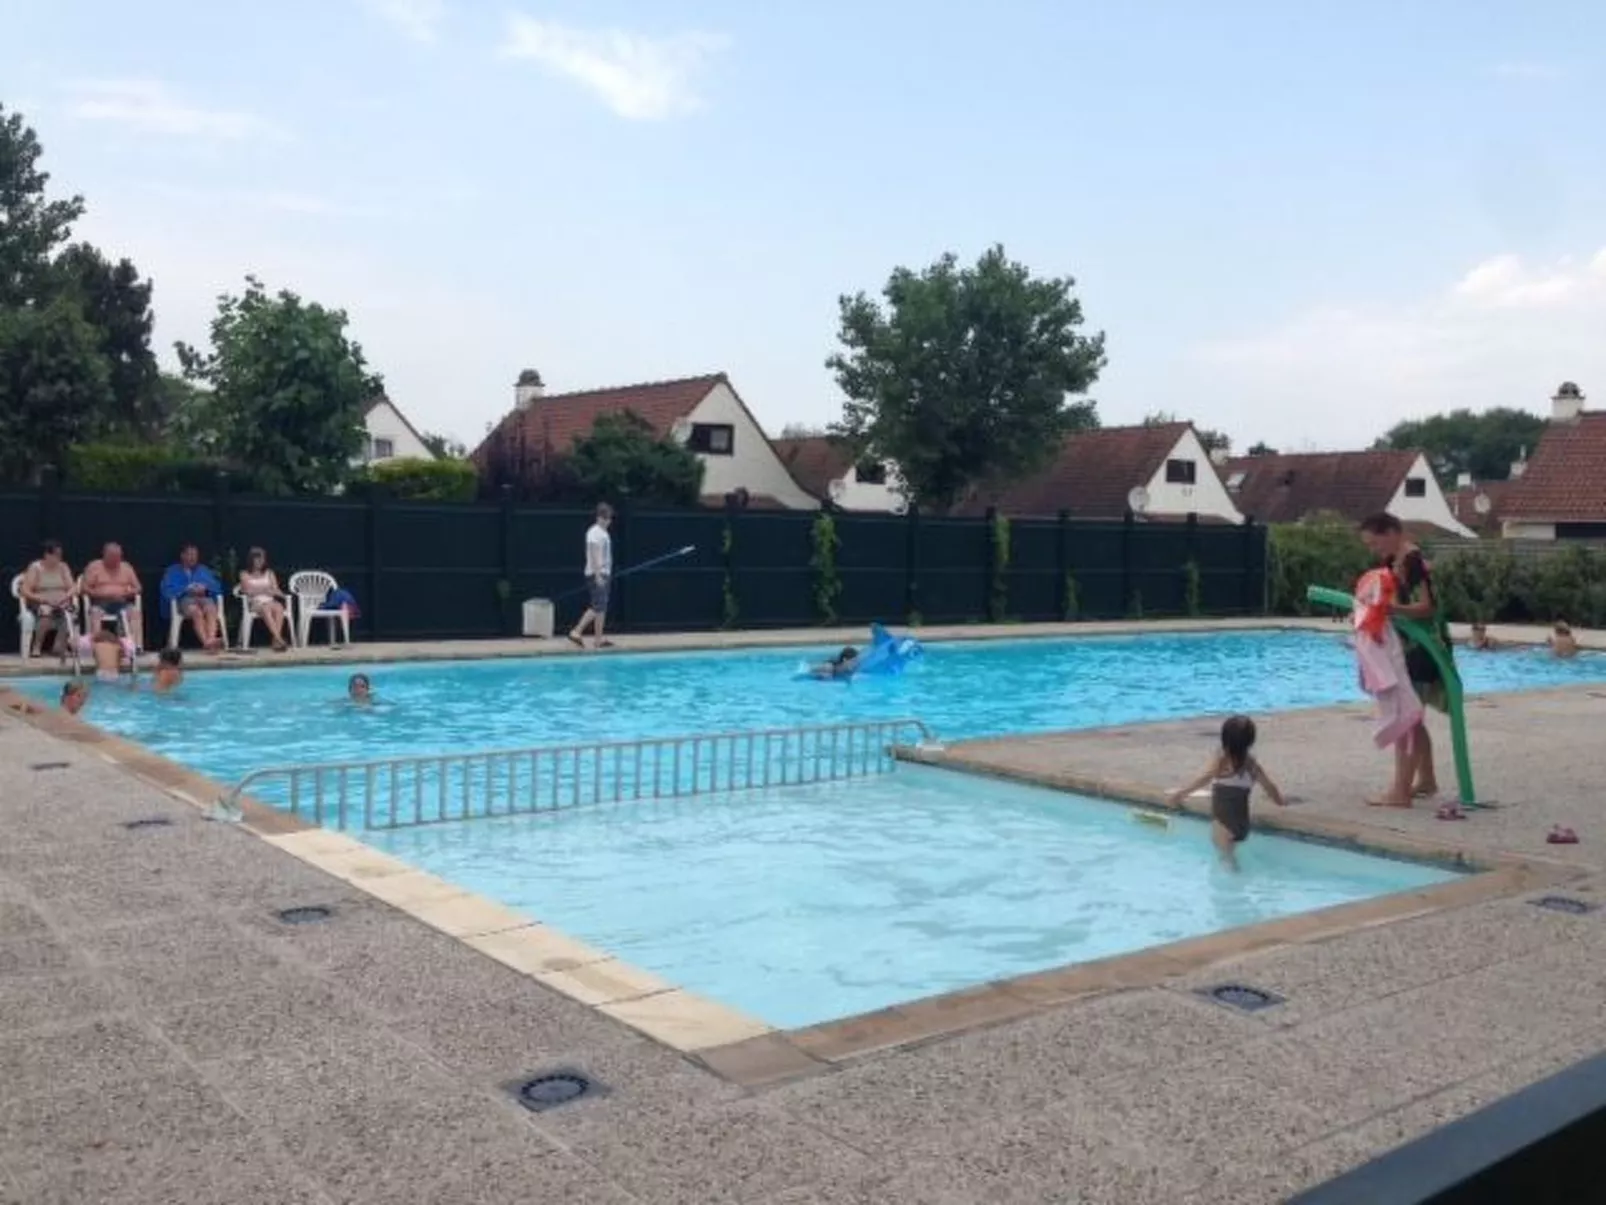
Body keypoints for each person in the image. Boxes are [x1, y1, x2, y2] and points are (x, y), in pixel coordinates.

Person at [1358, 513, 1451, 804]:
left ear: (1391, 533)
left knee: (1405, 717)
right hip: (1409, 645)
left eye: (1375, 543)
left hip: (1422, 648)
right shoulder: (1393, 562)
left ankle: (1400, 792)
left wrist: (1392, 611)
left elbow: (1428, 606)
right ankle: (1426, 780)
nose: (1373, 550)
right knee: (1414, 716)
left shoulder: (1413, 561)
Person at [1167, 714, 1287, 870]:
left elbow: (1205, 778)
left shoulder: (1223, 760)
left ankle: (1237, 878)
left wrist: (1181, 794)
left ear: (1225, 739)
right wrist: (1279, 801)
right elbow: (1270, 786)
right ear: (1250, 741)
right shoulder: (1252, 765)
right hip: (1243, 826)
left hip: (1224, 823)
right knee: (1229, 856)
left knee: (1226, 861)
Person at [159, 543, 224, 651]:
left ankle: (211, 639)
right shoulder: (172, 571)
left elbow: (216, 587)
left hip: (204, 598)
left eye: (195, 555)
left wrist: (205, 588)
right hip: (185, 600)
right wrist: (186, 589)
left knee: (211, 608)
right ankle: (206, 642)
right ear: (182, 555)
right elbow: (167, 590)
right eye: (190, 554)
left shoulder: (203, 570)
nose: (193, 558)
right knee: (196, 612)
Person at [567, 502, 614, 650]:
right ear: (599, 517)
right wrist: (598, 575)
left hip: (603, 573)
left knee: (601, 607)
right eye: (606, 518)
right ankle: (576, 631)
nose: (608, 521)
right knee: (598, 606)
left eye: (609, 519)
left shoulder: (603, 533)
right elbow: (594, 554)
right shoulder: (595, 532)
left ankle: (598, 640)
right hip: (597, 574)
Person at [19, 539, 76, 656]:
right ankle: (36, 646)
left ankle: (59, 646)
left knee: (69, 613)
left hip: (60, 601)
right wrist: (43, 600)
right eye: (56, 555)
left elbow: (73, 587)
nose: (59, 558)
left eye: (60, 555)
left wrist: (65, 597)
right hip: (40, 602)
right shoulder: (35, 567)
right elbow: (25, 590)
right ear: (47, 555)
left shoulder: (63, 567)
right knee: (46, 613)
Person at [82, 542, 142, 640]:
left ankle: (135, 645)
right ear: (105, 555)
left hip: (122, 602)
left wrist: (127, 593)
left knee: (135, 613)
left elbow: (138, 588)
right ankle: (97, 644)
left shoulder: (126, 567)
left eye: (118, 557)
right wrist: (102, 594)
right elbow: (84, 588)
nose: (116, 560)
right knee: (95, 613)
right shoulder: (94, 567)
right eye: (113, 557)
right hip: (100, 603)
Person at [238, 547, 291, 651]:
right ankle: (278, 639)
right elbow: (247, 591)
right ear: (251, 560)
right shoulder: (244, 574)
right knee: (266, 608)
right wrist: (264, 589)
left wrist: (281, 595)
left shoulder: (269, 573)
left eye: (262, 559)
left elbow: (275, 589)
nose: (260, 561)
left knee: (279, 607)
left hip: (270, 600)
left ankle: (276, 640)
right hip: (255, 602)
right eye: (257, 559)